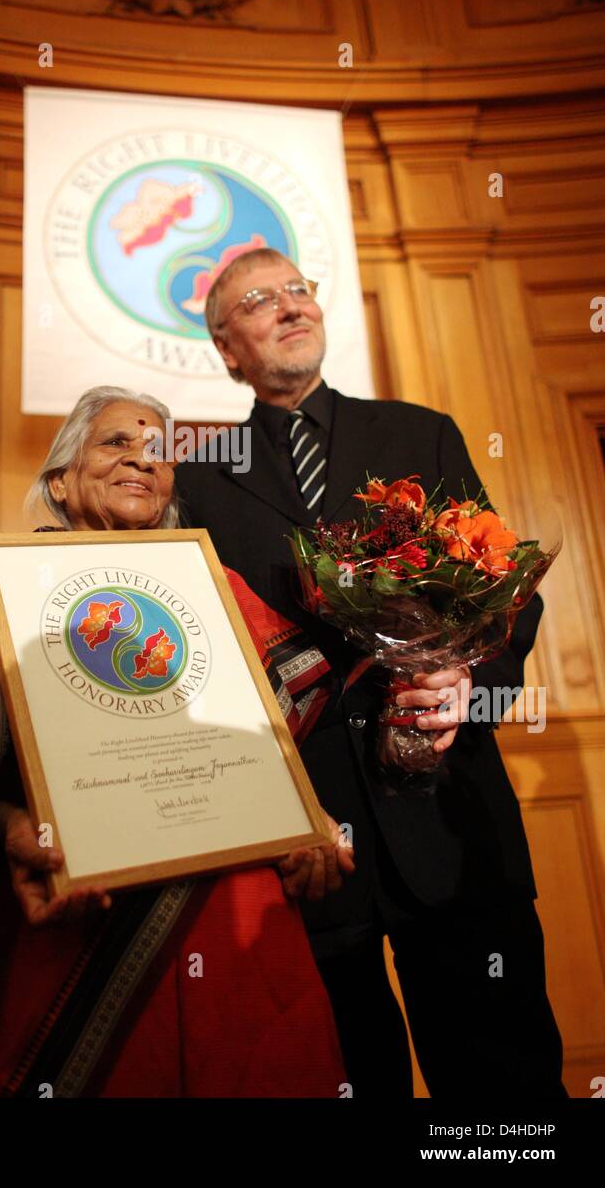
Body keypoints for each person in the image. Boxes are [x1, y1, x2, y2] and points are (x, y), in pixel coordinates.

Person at [0, 386, 353, 1099]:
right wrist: (11, 825)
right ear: (61, 481)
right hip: (64, 920)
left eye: (158, 453)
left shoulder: (216, 587)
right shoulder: (2, 598)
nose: (141, 459)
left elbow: (276, 741)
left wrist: (306, 818)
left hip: (230, 915)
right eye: (114, 444)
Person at [176, 246, 566, 1099]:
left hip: (451, 823)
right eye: (256, 302)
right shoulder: (200, 478)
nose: (287, 307)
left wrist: (473, 686)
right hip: (308, 842)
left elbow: (506, 590)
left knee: (503, 1090)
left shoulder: (418, 432)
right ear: (226, 350)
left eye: (296, 291)